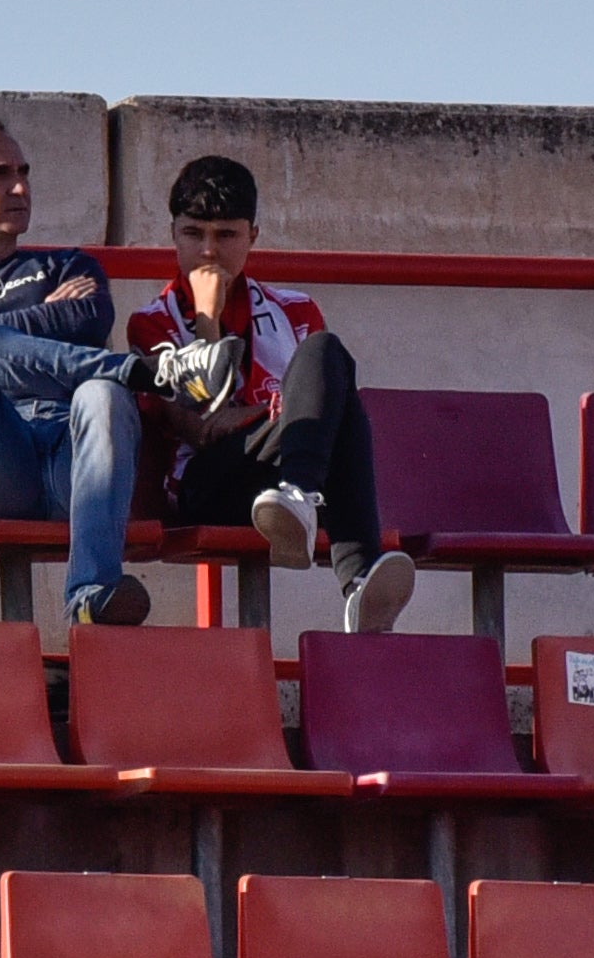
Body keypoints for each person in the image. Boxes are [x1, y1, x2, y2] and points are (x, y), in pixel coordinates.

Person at [0, 118, 244, 625]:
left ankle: (90, 593)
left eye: (23, 172)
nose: (20, 187)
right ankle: (147, 373)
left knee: (102, 393)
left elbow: (89, 318)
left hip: (74, 463)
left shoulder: (69, 266)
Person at [126, 155, 415, 632]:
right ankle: (356, 570)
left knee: (326, 352)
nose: (208, 252)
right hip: (209, 487)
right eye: (193, 234)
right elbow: (199, 424)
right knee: (335, 409)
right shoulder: (152, 322)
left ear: (252, 237)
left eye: (225, 236)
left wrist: (259, 413)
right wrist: (207, 317)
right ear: (173, 233)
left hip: (285, 477)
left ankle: (306, 509)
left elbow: (325, 407)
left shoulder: (295, 310)